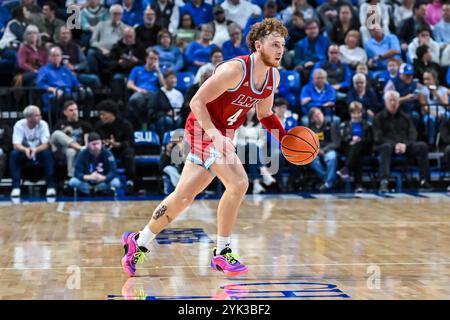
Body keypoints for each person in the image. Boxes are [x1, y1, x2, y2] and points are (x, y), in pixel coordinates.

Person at [120, 18, 289, 277]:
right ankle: (222, 253)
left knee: (184, 197)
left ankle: (138, 242)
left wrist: (285, 138)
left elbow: (265, 113)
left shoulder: (272, 76)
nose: (280, 50)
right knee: (239, 183)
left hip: (222, 134)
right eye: (274, 44)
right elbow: (196, 102)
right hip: (203, 128)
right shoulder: (235, 70)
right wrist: (214, 135)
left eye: (283, 45)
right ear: (258, 45)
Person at [373, 90, 431, 193]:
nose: (393, 103)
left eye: (395, 100)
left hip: (405, 146)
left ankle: (424, 180)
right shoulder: (378, 118)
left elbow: (413, 134)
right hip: (387, 146)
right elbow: (378, 137)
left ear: (398, 102)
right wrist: (395, 145)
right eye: (390, 100)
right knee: (385, 146)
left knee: (422, 146)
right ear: (385, 102)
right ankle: (384, 181)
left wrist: (405, 145)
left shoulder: (406, 117)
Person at [10, 105, 56, 198]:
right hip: (24, 152)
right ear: (29, 118)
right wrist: (25, 149)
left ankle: (51, 186)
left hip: (39, 151)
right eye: (38, 115)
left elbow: (46, 144)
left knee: (47, 153)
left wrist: (36, 150)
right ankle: (16, 187)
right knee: (14, 154)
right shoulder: (19, 125)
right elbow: (16, 144)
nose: (41, 117)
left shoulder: (43, 124)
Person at [94, 100, 136, 195]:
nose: (101, 117)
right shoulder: (98, 125)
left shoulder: (125, 124)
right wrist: (102, 143)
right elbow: (95, 140)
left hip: (121, 150)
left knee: (129, 152)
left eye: (103, 114)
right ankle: (102, 183)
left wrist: (118, 144)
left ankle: (130, 182)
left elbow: (131, 142)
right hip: (105, 151)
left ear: (111, 114)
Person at [68, 132, 121, 196]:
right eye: (93, 144)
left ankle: (96, 190)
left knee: (116, 182)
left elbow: (113, 171)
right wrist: (88, 177)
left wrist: (103, 178)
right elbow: (77, 172)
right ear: (88, 145)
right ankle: (93, 190)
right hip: (87, 182)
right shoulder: (82, 154)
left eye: (98, 144)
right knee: (72, 181)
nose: (96, 146)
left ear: (101, 143)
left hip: (102, 181)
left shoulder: (107, 153)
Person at [337, 102, 372, 192]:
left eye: (358, 112)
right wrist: (351, 139)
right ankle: (358, 185)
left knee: (358, 147)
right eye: (354, 113)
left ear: (362, 113)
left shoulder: (367, 125)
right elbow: (342, 139)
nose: (356, 115)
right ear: (350, 113)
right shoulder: (344, 125)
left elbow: (370, 139)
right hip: (348, 148)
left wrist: (360, 140)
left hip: (364, 147)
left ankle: (346, 169)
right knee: (357, 155)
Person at [126, 49, 165, 130]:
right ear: (146, 59)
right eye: (151, 58)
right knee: (134, 99)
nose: (153, 61)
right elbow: (129, 84)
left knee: (154, 100)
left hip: (153, 94)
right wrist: (138, 89)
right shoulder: (137, 69)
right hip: (140, 92)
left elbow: (163, 86)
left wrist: (158, 71)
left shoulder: (159, 71)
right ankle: (141, 123)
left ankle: (147, 123)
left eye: (155, 59)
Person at [50, 100, 92, 177]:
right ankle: (79, 148)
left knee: (71, 151)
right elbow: (54, 138)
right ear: (65, 112)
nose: (74, 112)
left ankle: (72, 177)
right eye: (71, 110)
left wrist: (85, 149)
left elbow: (87, 139)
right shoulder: (60, 124)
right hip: (60, 150)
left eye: (76, 109)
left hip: (76, 151)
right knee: (56, 133)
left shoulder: (85, 125)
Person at [308, 107, 341, 192]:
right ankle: (329, 179)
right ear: (312, 119)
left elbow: (336, 142)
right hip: (316, 151)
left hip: (329, 149)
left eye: (320, 113)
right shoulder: (310, 129)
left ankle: (328, 182)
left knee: (331, 158)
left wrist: (324, 150)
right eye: (316, 115)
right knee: (310, 159)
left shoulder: (331, 125)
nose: (319, 116)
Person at [418, 70, 450, 145]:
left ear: (434, 79)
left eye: (428, 79)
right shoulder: (422, 91)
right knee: (429, 119)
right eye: (424, 79)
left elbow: (446, 104)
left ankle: (445, 141)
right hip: (429, 113)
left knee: (447, 117)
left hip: (443, 112)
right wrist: (435, 114)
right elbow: (424, 107)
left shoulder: (443, 89)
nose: (426, 82)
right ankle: (431, 142)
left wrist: (437, 95)